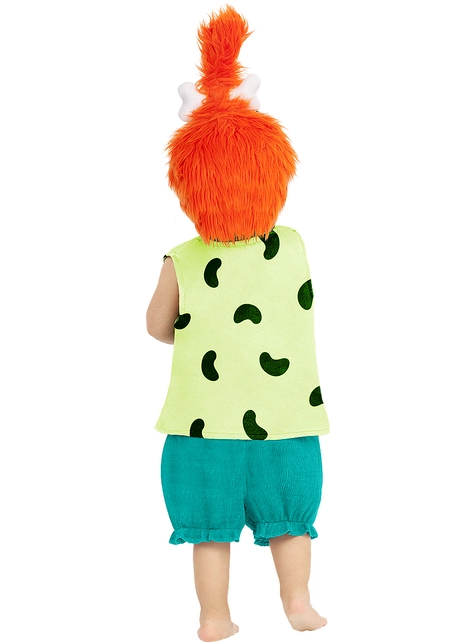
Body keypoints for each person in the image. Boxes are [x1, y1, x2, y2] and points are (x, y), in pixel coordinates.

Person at [146, 7, 330, 641]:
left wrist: (195, 330)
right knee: (291, 519)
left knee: (209, 527)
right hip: (286, 415)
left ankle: (214, 615)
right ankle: (298, 602)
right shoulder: (295, 245)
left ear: (188, 185)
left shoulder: (182, 258)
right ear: (275, 175)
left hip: (202, 421)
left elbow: (157, 327)